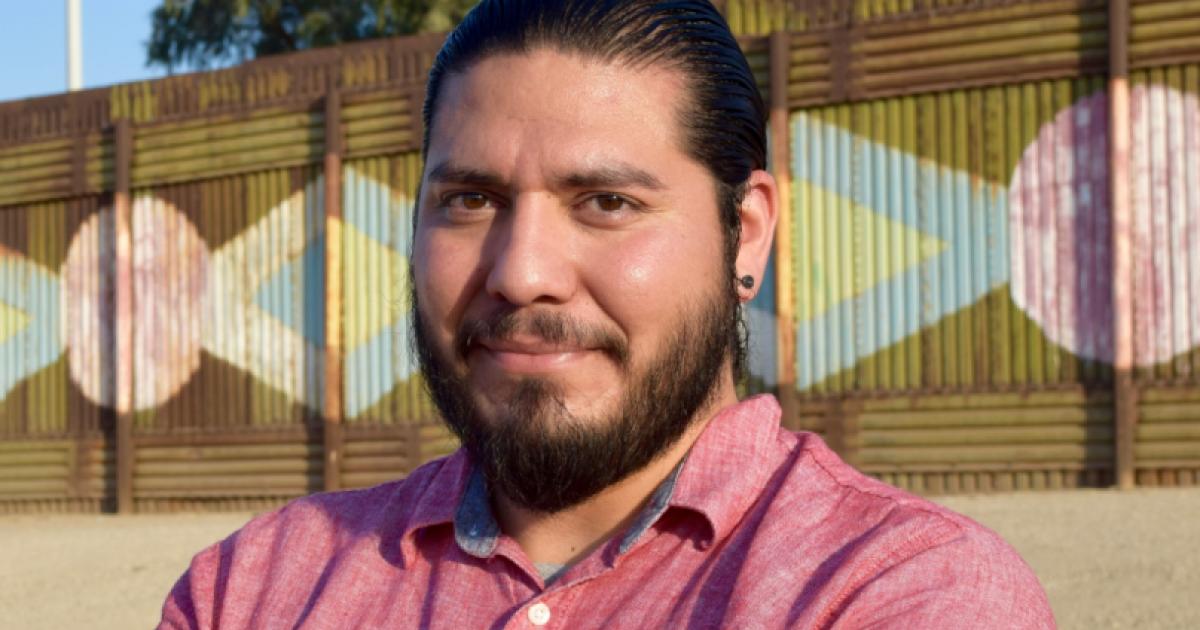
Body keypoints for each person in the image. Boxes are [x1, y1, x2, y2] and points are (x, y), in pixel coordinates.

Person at [160, 1, 1055, 627]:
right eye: (470, 201)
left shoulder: (899, 594)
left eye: (607, 203)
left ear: (744, 234)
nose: (522, 275)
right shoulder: (252, 593)